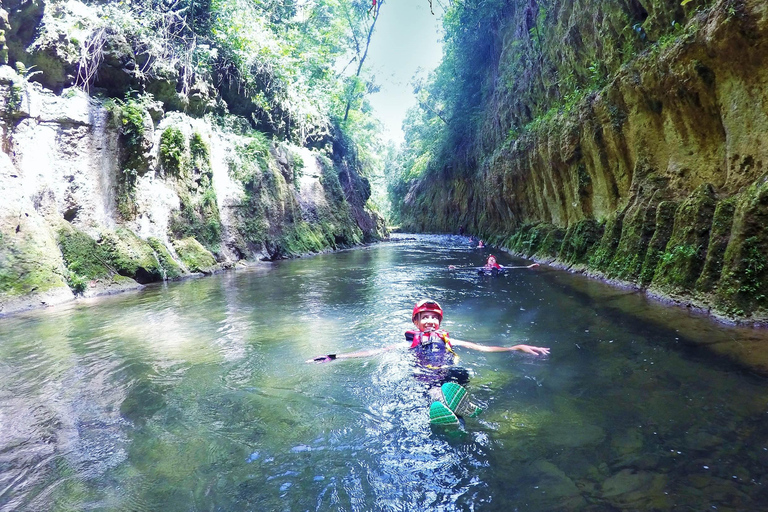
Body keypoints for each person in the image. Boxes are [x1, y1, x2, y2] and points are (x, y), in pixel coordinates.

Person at [307, 299, 549, 425]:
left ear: (439, 322)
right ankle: (454, 415)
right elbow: (376, 351)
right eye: (425, 318)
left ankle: (457, 406)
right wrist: (334, 356)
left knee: (460, 374)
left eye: (435, 318)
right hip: (426, 376)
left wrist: (516, 347)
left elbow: (482, 348)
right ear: (416, 323)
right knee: (434, 389)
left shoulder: (449, 339)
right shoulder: (409, 344)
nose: (431, 321)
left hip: (450, 373)